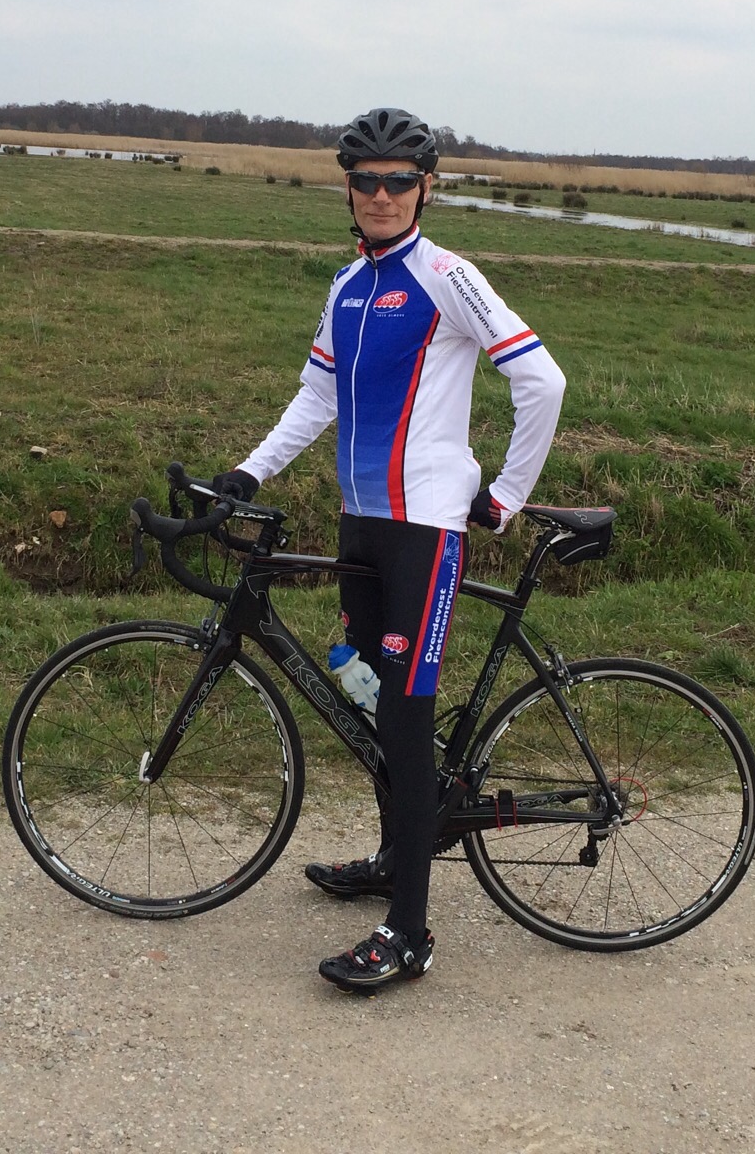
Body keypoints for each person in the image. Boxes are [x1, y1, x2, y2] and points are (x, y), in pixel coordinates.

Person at [210, 107, 566, 993]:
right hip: (362, 522)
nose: (380, 194)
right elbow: (316, 397)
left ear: (424, 188)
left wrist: (507, 496)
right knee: (363, 690)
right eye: (365, 180)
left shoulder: (447, 275)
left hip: (425, 531)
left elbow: (541, 379)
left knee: (405, 722)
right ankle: (394, 854)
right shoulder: (346, 286)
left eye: (398, 181)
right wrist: (247, 473)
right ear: (348, 189)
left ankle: (409, 934)